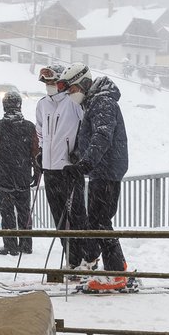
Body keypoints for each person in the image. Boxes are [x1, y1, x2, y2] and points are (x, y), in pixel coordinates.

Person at [57, 63, 134, 292]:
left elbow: (102, 135)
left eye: (71, 90)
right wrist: (78, 157)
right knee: (98, 221)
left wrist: (86, 163)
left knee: (100, 222)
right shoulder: (95, 102)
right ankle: (115, 266)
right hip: (102, 169)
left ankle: (117, 274)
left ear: (83, 84)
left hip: (107, 168)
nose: (71, 95)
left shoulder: (102, 102)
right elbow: (92, 137)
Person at [35, 63, 88, 269]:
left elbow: (85, 129)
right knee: (58, 217)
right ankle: (71, 259)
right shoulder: (42, 104)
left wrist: (79, 152)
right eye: (46, 82)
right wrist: (41, 152)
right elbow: (40, 130)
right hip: (49, 170)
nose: (49, 86)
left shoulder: (73, 103)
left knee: (75, 216)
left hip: (69, 169)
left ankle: (84, 259)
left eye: (52, 82)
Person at [0, 91, 41, 256]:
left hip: (4, 179)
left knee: (7, 214)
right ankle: (26, 244)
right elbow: (36, 152)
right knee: (24, 213)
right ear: (19, 106)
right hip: (23, 177)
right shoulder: (29, 127)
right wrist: (36, 172)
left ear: (4, 107)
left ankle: (10, 245)